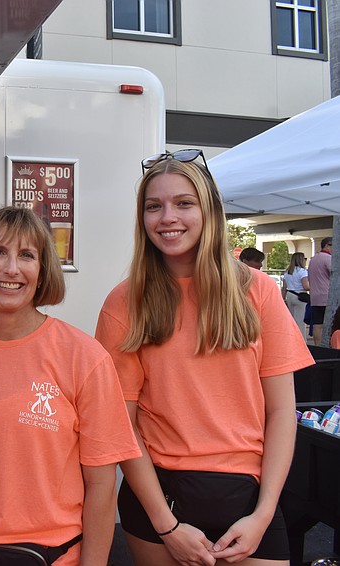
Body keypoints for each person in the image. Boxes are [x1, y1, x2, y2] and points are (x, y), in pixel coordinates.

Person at [95, 149, 313, 566]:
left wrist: (264, 514)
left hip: (250, 499)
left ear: (209, 210)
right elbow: (124, 424)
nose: (167, 217)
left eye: (184, 203)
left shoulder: (258, 291)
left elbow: (283, 412)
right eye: (153, 206)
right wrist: (167, 526)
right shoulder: (124, 303)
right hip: (160, 501)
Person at [0, 206, 140, 566]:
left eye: (27, 255)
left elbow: (102, 488)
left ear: (42, 273)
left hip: (55, 556)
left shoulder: (85, 357)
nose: (11, 269)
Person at [281, 252, 310, 341]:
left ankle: (292, 339)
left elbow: (284, 287)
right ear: (301, 260)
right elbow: (306, 286)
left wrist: (283, 298)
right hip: (300, 295)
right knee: (300, 321)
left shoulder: (288, 272)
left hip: (290, 295)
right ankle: (301, 341)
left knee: (293, 320)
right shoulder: (302, 271)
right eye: (304, 259)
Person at [308, 237, 332, 345]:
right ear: (327, 245)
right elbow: (335, 274)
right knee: (330, 324)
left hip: (315, 297)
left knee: (317, 325)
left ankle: (318, 347)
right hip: (327, 296)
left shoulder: (313, 259)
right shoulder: (328, 258)